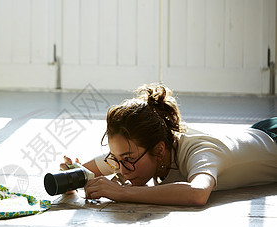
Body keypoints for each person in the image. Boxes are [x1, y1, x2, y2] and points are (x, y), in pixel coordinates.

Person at [61, 83, 277, 206]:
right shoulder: (136, 154)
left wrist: (120, 192)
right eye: (115, 160)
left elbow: (197, 193)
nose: (121, 170)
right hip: (258, 131)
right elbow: (91, 170)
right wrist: (75, 175)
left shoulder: (199, 151)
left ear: (159, 150)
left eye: (127, 160)